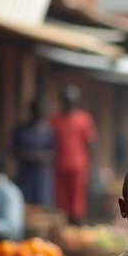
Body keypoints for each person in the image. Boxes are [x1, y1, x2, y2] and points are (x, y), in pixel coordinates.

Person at [52, 85, 97, 225]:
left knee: (77, 202)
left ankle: (77, 227)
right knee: (61, 201)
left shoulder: (84, 119)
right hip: (59, 166)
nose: (68, 102)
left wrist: (94, 167)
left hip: (78, 166)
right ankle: (64, 230)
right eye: (65, 99)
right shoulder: (55, 120)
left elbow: (91, 143)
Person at [12, 99, 55, 207]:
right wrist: (27, 155)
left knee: (41, 205)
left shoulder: (48, 131)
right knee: (24, 203)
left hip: (41, 175)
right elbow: (13, 150)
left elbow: (54, 152)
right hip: (25, 174)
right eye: (36, 110)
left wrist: (41, 157)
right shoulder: (21, 129)